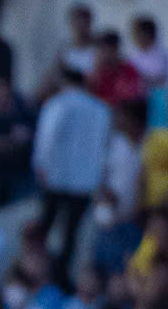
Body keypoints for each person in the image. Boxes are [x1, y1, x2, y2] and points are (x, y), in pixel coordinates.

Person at [32, 66, 111, 287]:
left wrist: (40, 166)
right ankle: (61, 275)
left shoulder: (57, 104)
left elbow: (46, 139)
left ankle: (38, 272)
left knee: (46, 228)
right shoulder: (101, 109)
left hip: (55, 178)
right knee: (71, 232)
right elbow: (104, 147)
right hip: (85, 181)